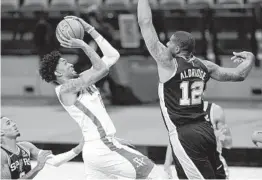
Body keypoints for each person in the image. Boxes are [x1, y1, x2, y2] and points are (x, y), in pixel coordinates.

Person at [137, 0, 254, 179]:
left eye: (168, 43)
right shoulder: (205, 66)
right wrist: (250, 58)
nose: (165, 45)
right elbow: (239, 75)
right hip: (206, 129)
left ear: (176, 48)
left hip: (184, 135)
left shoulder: (168, 63)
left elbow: (145, 22)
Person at [39, 16, 167, 179]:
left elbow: (113, 55)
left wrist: (89, 29)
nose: (70, 64)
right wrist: (84, 44)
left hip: (97, 148)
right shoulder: (65, 89)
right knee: (158, 175)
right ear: (57, 73)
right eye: (64, 63)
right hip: (104, 148)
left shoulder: (82, 79)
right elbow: (102, 70)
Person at [164, 101, 232, 179]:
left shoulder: (215, 111)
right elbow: (173, 140)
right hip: (189, 165)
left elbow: (228, 144)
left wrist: (219, 136)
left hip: (214, 165)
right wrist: (167, 165)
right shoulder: (181, 113)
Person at [1, 116, 84, 179]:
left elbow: (54, 161)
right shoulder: (2, 155)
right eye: (8, 123)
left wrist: (78, 149)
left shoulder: (26, 146)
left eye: (12, 122)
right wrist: (37, 168)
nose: (14, 124)